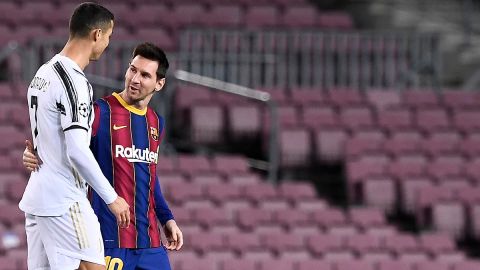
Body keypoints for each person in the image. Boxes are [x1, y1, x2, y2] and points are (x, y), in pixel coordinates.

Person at [24, 42, 183, 270]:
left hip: (150, 243)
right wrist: (32, 152)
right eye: (132, 70)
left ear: (159, 83)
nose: (135, 79)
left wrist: (167, 218)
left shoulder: (156, 122)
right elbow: (65, 145)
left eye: (145, 75)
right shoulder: (99, 111)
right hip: (109, 241)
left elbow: (150, 177)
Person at [20, 3, 131, 270]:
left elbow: (44, 137)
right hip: (65, 201)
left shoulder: (42, 73)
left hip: (38, 201)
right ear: (96, 34)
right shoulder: (74, 82)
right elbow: (76, 150)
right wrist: (111, 198)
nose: (107, 44)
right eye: (108, 36)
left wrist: (32, 153)